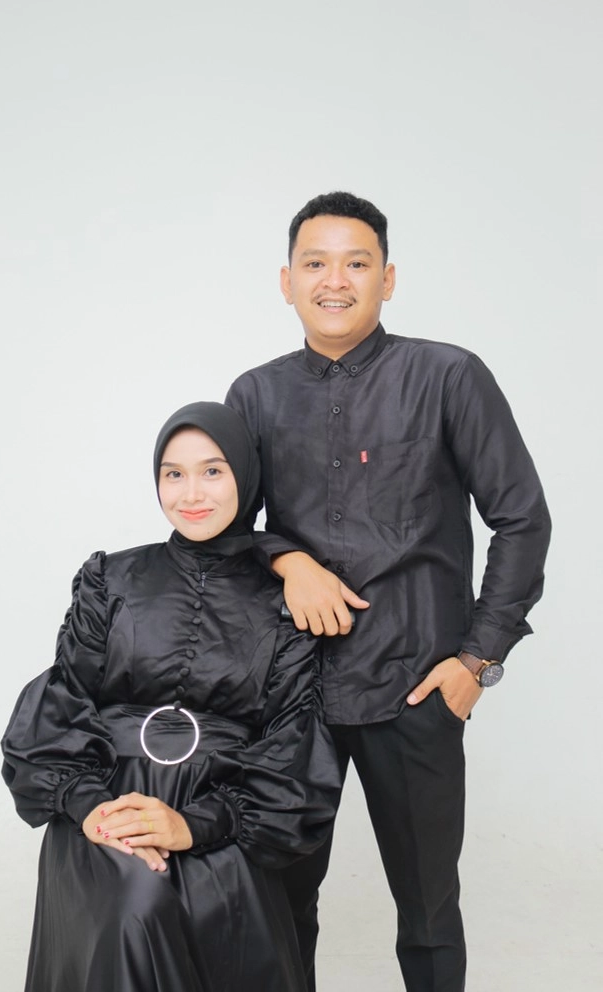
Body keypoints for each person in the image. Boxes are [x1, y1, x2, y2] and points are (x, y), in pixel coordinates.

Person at [225, 191, 551, 992]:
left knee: (429, 910)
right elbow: (222, 529)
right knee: (278, 902)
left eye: (356, 262)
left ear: (388, 278)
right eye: (315, 263)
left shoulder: (448, 376)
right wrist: (288, 561)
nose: (334, 280)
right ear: (286, 281)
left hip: (414, 687)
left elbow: (522, 518)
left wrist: (477, 661)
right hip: (291, 693)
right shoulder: (255, 396)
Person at [1, 401, 340, 992]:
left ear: (246, 477)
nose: (191, 494)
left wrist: (194, 825)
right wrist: (92, 808)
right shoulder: (110, 580)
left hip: (221, 816)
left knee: (200, 909)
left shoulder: (288, 602)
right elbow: (61, 705)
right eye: (173, 474)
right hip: (104, 807)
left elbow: (292, 748)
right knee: (135, 904)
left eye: (213, 471)